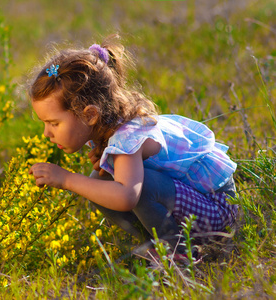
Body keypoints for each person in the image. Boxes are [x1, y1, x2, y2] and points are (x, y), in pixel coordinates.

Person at [28, 34, 238, 262]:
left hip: (218, 211)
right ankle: (158, 244)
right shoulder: (107, 126)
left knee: (134, 188)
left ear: (89, 115)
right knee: (99, 183)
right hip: (194, 202)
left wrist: (67, 179)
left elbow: (127, 197)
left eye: (54, 123)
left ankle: (178, 253)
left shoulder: (127, 138)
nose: (47, 133)